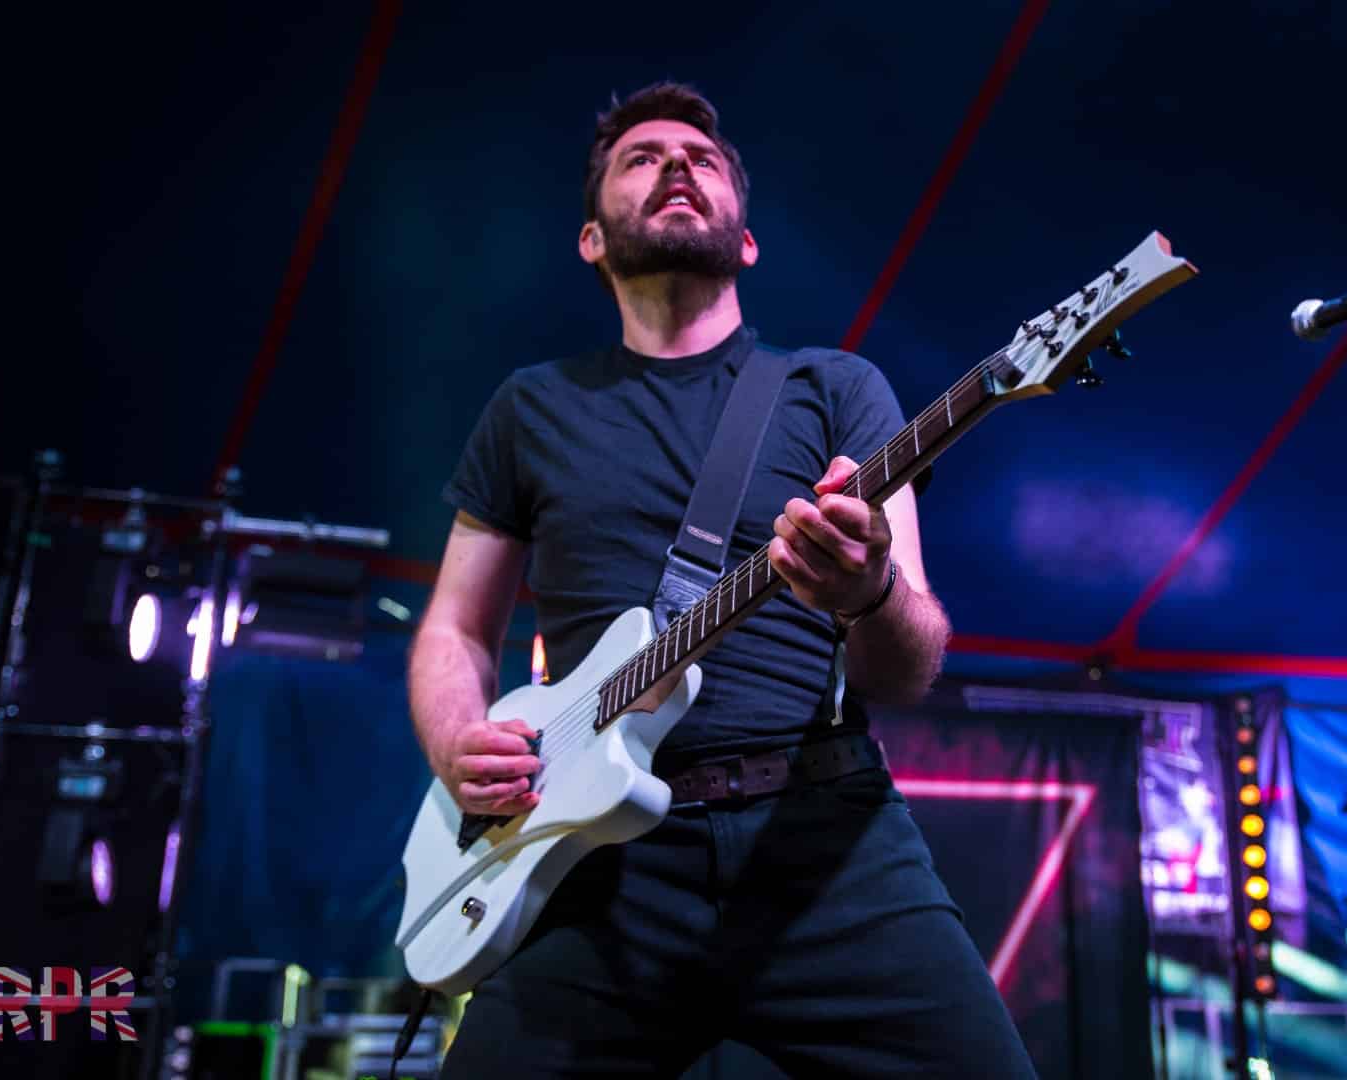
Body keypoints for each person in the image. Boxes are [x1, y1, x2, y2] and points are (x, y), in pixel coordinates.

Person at [409, 82, 1037, 1077]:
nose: (677, 165)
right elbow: (454, 628)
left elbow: (909, 666)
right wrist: (456, 742)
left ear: (744, 240)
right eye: (642, 157)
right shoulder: (529, 408)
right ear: (590, 239)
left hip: (825, 842)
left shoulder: (838, 389)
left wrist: (867, 593)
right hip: (591, 864)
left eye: (701, 159)